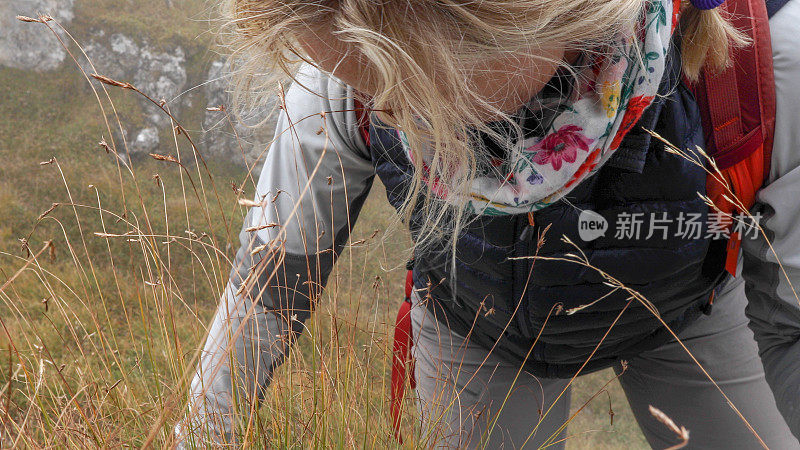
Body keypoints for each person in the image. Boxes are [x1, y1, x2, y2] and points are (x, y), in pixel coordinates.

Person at [179, 0, 800, 447]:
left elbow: (789, 322)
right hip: (473, 327)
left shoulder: (768, 62)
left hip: (681, 315)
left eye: (423, 80)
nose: (387, 107)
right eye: (359, 80)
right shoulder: (349, 60)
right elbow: (271, 286)